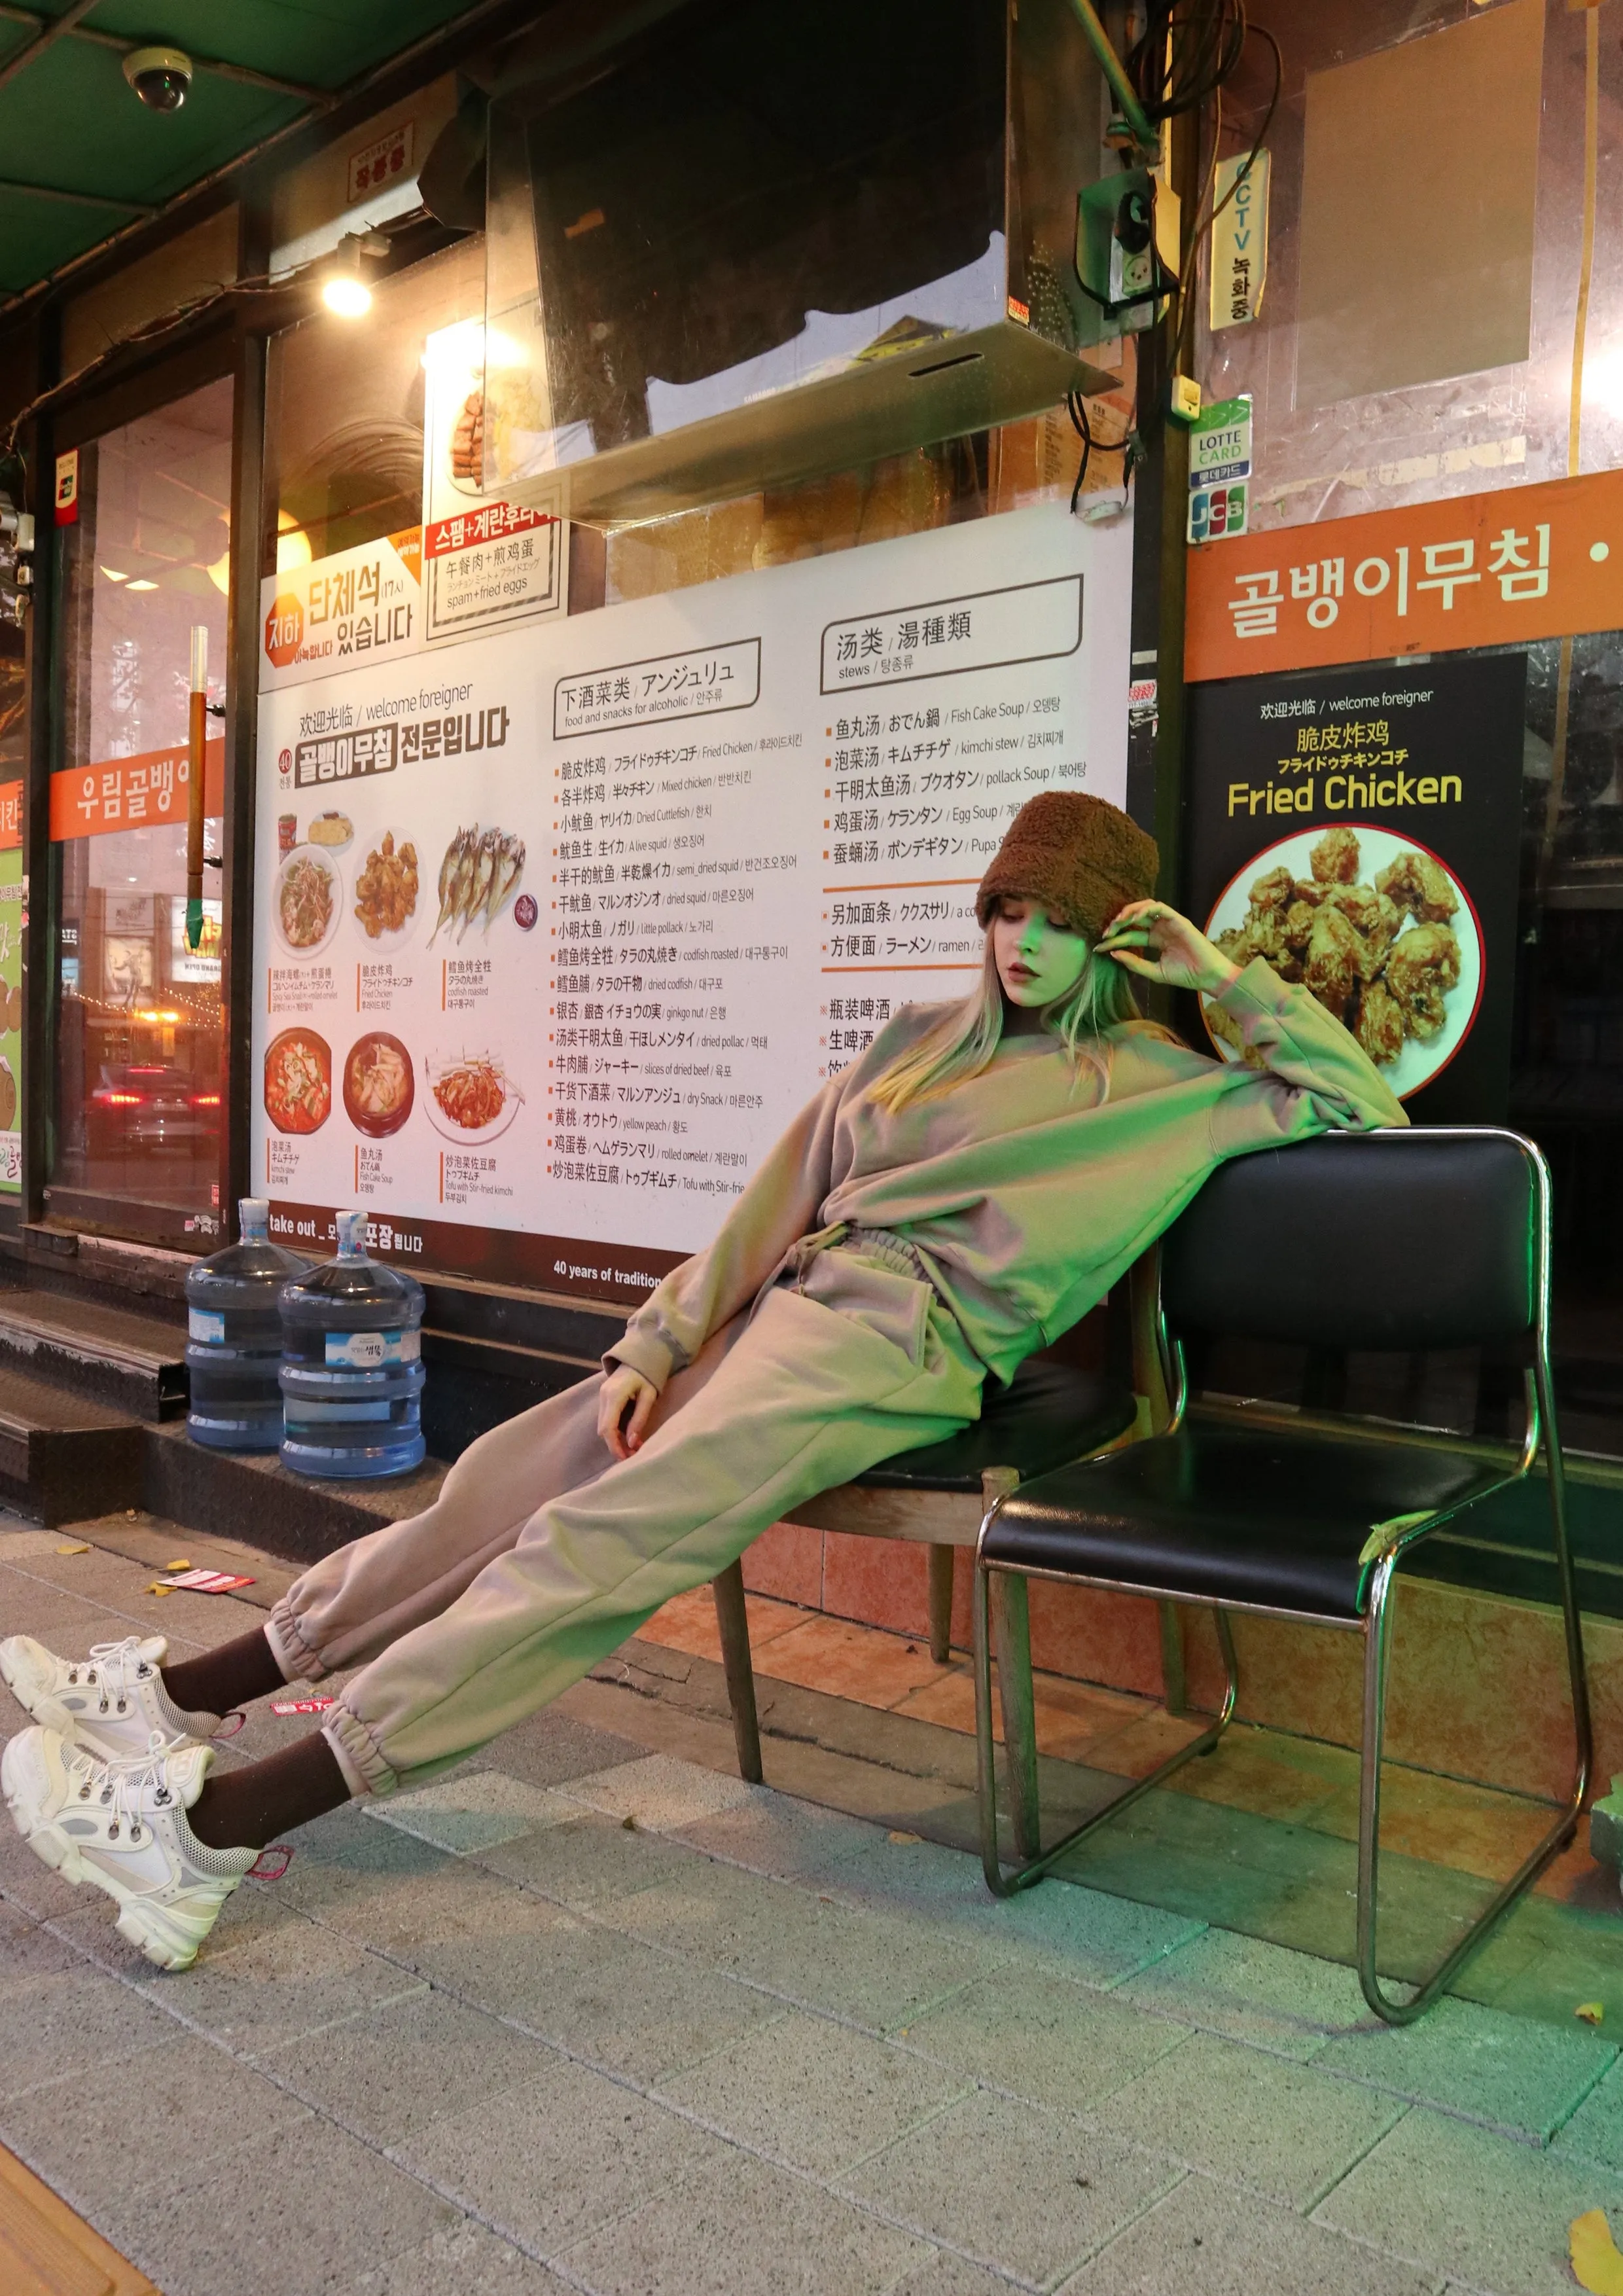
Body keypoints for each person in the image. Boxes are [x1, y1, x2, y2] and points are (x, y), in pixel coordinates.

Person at [0, 793, 1404, 1969]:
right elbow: (769, 1205)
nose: (1021, 940)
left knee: (598, 1542)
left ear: (1109, 933)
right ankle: (192, 1695)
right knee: (506, 1483)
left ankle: (214, 1832)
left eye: (1054, 916)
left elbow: (1364, 1104)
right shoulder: (919, 1040)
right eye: (1004, 909)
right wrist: (654, 1344)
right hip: (780, 1312)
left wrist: (1217, 975)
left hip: (904, 1344)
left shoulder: (1164, 1076)